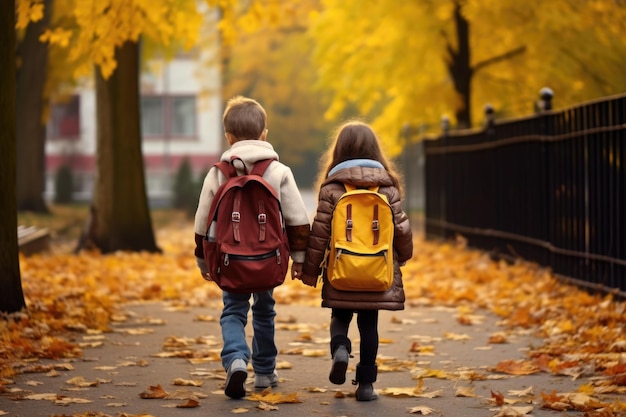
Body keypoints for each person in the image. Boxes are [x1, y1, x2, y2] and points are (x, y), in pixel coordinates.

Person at [193, 96, 310, 399]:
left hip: (229, 259)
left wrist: (203, 261)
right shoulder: (279, 171)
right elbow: (297, 219)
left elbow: (203, 220)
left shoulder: (218, 172)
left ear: (228, 138)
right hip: (268, 257)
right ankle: (265, 372)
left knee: (232, 309)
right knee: (264, 309)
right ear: (264, 135)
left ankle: (234, 359)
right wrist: (299, 259)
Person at [297, 120, 413, 401]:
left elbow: (320, 233)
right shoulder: (387, 189)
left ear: (339, 151)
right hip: (378, 271)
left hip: (341, 268)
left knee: (340, 316)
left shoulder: (332, 189)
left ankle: (339, 348)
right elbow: (401, 228)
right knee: (369, 325)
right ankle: (366, 386)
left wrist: (310, 271)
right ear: (375, 151)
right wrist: (404, 256)